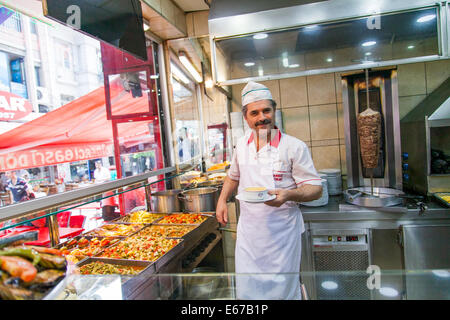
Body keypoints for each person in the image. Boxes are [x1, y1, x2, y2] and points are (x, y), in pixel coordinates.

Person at [215, 81, 323, 300]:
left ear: (274, 111)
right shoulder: (242, 144)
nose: (261, 117)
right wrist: (221, 200)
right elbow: (232, 176)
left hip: (281, 235)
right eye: (254, 113)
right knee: (248, 291)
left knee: (282, 291)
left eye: (266, 110)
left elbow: (315, 189)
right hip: (249, 234)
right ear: (246, 118)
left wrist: (289, 195)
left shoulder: (294, 147)